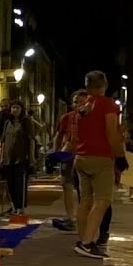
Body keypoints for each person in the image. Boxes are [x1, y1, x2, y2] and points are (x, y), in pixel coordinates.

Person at [73, 71, 127, 259]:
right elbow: (111, 132)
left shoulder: (83, 107)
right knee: (102, 200)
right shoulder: (107, 105)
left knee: (85, 201)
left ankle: (82, 240)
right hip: (101, 158)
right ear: (105, 84)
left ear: (87, 87)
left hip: (81, 157)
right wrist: (120, 155)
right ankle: (88, 243)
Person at [50, 90, 86, 232]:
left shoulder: (91, 118)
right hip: (68, 154)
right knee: (67, 185)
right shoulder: (67, 118)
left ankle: (83, 217)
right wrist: (57, 153)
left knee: (84, 188)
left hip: (84, 155)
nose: (78, 104)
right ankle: (71, 217)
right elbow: (59, 136)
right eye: (76, 101)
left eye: (81, 101)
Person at [0, 100, 35, 216]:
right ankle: (14, 206)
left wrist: (31, 157)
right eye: (13, 107)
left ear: (21, 110)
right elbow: (3, 141)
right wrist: (1, 156)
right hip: (8, 159)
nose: (15, 110)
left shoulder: (26, 122)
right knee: (10, 184)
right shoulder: (7, 123)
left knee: (20, 184)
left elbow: (31, 140)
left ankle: (20, 207)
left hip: (21, 158)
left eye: (17, 108)